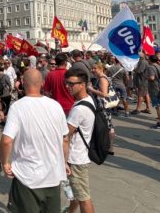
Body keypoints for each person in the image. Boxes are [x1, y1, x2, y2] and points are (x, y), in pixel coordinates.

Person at [0, 69, 69, 213]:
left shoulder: (17, 107)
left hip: (27, 178)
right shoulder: (56, 106)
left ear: (23, 83)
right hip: (53, 175)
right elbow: (65, 140)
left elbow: (6, 140)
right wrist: (64, 162)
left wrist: (5, 162)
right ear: (43, 83)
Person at [65, 68, 96, 213]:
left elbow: (65, 135)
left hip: (76, 158)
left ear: (82, 84)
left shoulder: (78, 109)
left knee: (84, 198)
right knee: (76, 193)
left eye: (72, 84)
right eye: (67, 83)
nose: (68, 87)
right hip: (80, 154)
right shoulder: (88, 100)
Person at [89, 63, 116, 155]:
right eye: (92, 68)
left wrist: (91, 89)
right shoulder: (102, 78)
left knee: (106, 126)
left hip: (103, 106)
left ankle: (106, 147)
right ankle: (110, 148)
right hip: (104, 106)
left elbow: (104, 94)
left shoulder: (102, 79)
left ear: (101, 69)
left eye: (95, 68)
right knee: (109, 126)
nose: (92, 70)